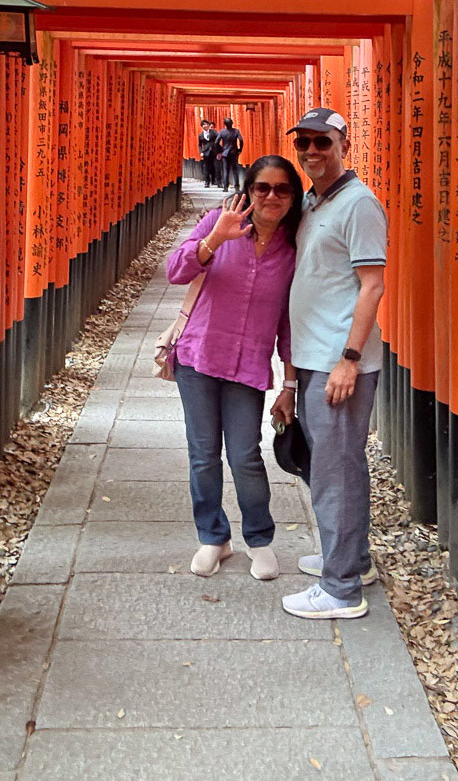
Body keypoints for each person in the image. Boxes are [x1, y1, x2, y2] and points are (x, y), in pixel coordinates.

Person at [165, 156, 305, 581]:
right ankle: (213, 537)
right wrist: (213, 241)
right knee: (203, 455)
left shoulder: (293, 248)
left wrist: (290, 385)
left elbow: (289, 321)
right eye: (262, 187)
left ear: (293, 197)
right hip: (199, 357)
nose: (271, 197)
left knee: (245, 455)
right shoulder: (217, 221)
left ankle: (259, 539)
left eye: (283, 189)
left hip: (248, 365)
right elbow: (175, 271)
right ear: (249, 189)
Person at [277, 108, 387, 621]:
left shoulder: (360, 205)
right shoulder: (314, 201)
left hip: (338, 362)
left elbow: (372, 284)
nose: (312, 151)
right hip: (315, 356)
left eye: (322, 141)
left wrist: (348, 360)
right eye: (304, 143)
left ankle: (341, 589)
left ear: (344, 142)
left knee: (333, 475)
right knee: (339, 467)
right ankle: (352, 559)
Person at [217, 116, 244, 192]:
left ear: (225, 124)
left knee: (226, 170)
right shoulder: (236, 131)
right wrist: (239, 149)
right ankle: (237, 187)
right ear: (232, 123)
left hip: (225, 153)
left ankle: (225, 187)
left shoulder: (222, 132)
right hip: (234, 152)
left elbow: (216, 142)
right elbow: (241, 140)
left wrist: (220, 150)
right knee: (235, 170)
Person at [197, 117, 220, 187]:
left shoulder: (213, 132)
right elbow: (200, 145)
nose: (205, 126)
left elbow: (219, 138)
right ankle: (207, 182)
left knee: (216, 167)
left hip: (214, 151)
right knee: (206, 167)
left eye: (206, 124)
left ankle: (219, 182)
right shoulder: (200, 135)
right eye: (203, 125)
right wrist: (201, 151)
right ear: (202, 126)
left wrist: (218, 149)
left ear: (208, 125)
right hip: (206, 152)